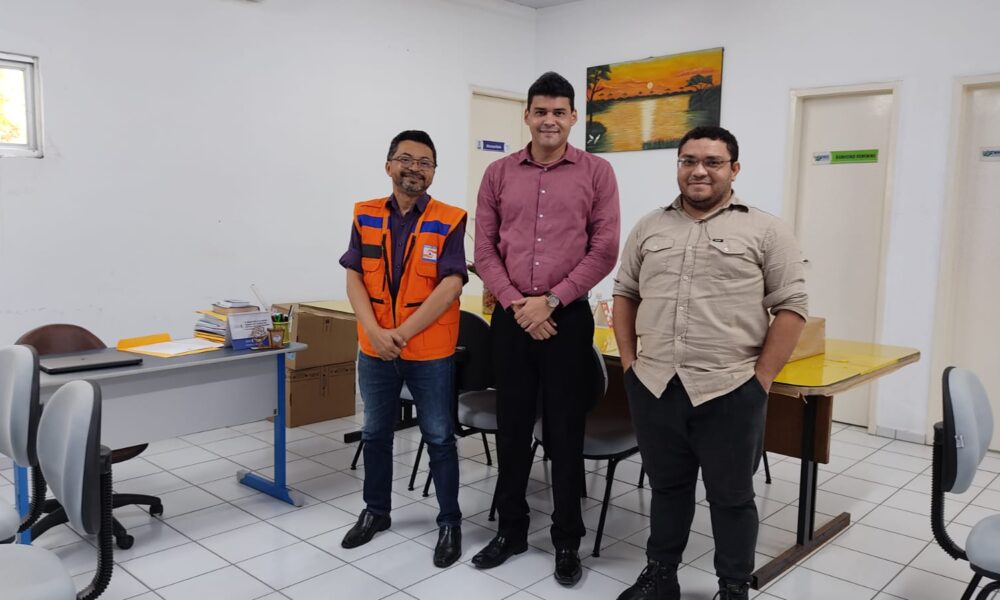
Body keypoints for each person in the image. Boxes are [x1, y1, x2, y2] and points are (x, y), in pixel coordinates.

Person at [612, 126, 808, 600]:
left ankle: (734, 587)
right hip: (655, 385)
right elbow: (625, 293)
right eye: (689, 161)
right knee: (667, 489)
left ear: (733, 169)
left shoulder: (766, 230)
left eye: (712, 162)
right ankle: (661, 577)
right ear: (678, 165)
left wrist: (760, 381)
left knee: (732, 498)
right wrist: (630, 365)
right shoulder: (649, 227)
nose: (699, 171)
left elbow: (792, 307)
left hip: (730, 389)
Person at [472, 71, 621, 586]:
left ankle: (566, 540)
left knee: (565, 431)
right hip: (511, 316)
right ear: (527, 115)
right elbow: (484, 249)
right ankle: (511, 530)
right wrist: (518, 304)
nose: (549, 120)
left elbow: (604, 248)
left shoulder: (597, 172)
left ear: (574, 117)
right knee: (512, 428)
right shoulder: (498, 173)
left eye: (559, 112)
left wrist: (552, 301)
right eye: (541, 111)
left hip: (567, 317)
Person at [338, 130, 466, 568]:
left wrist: (401, 333)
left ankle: (449, 522)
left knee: (439, 437)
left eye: (425, 162)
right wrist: (374, 331)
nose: (415, 168)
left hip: (429, 352)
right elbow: (354, 275)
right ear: (389, 165)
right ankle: (376, 511)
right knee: (375, 433)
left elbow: (451, 285)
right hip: (374, 350)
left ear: (434, 172)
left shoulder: (449, 219)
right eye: (406, 159)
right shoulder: (366, 214)